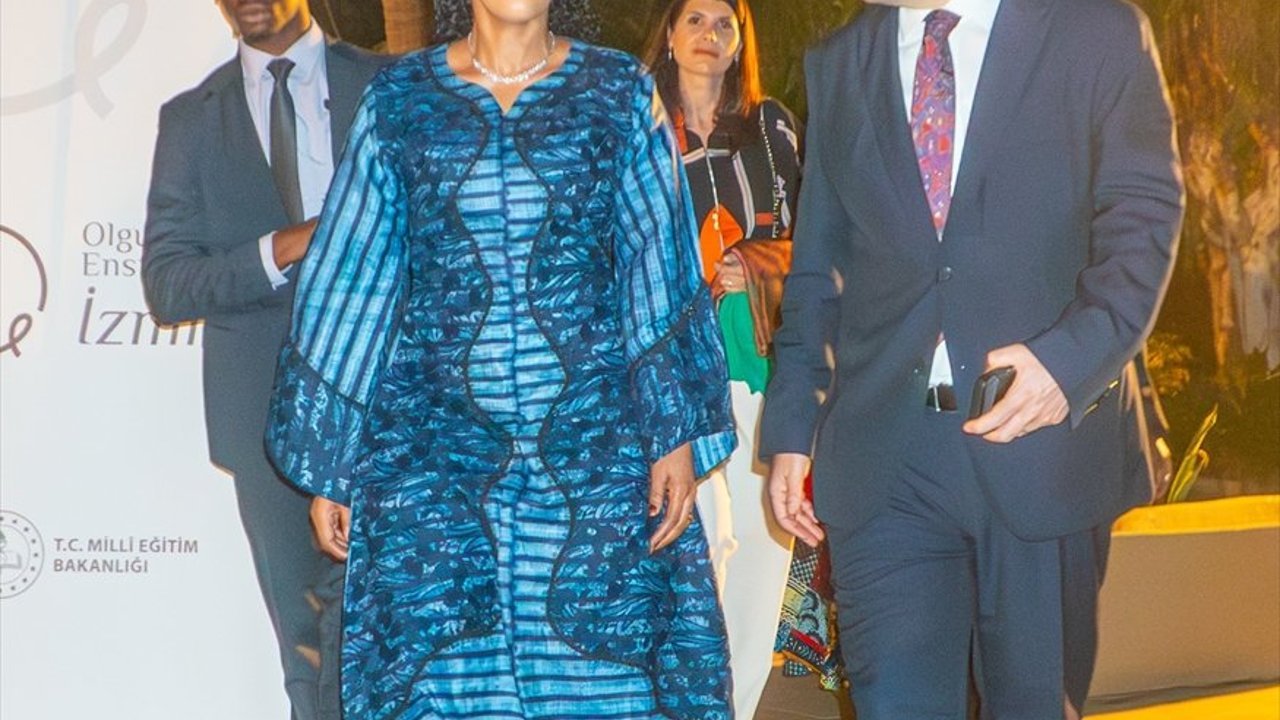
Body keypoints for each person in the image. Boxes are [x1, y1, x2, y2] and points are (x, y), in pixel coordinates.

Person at [264, 1, 737, 717]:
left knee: (607, 680)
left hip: (597, 453)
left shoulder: (618, 91)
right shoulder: (400, 99)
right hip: (432, 455)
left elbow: (656, 258)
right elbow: (358, 272)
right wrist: (333, 455)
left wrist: (673, 432)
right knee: (443, 673)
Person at [761, 0, 1184, 718]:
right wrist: (794, 426)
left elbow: (1144, 216)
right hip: (885, 456)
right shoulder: (839, 61)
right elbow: (819, 267)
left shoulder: (1095, 29)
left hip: (1038, 440)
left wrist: (1068, 364)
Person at [140, 1, 387, 717]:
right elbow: (168, 285)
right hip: (263, 416)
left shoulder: (388, 87)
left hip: (393, 401)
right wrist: (285, 247)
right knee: (307, 647)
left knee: (399, 623)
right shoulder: (191, 119)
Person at [642, 1, 805, 715]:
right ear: (669, 34)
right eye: (695, 20)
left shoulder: (770, 129)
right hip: (679, 375)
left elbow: (822, 237)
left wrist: (758, 261)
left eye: (724, 24)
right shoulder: (639, 130)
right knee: (704, 545)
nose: (709, 36)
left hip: (762, 366)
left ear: (741, 42)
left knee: (764, 572)